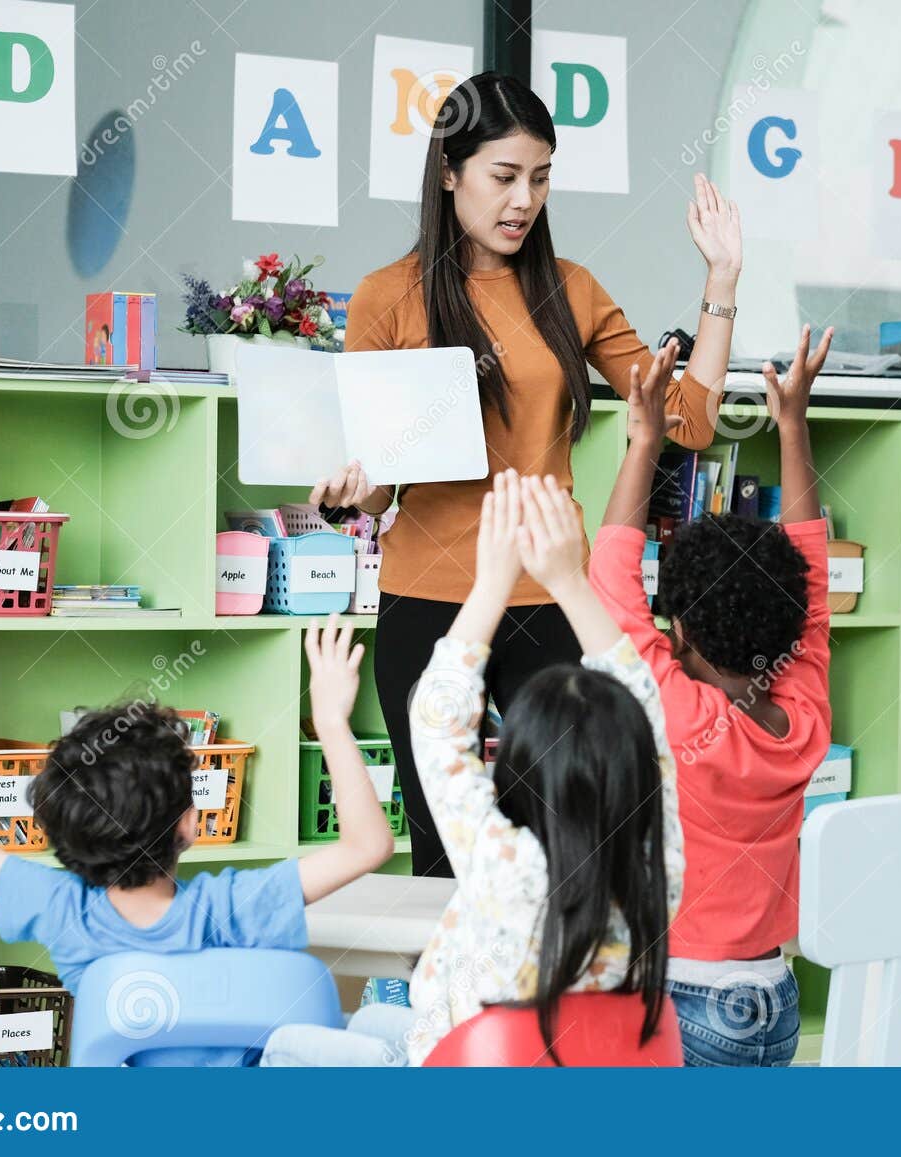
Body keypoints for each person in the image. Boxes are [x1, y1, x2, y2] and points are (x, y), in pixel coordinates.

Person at [309, 70, 739, 877]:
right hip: (428, 597)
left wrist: (721, 283)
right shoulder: (385, 298)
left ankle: (561, 1003)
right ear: (449, 172)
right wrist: (345, 495)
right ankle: (458, 1009)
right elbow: (377, 486)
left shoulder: (570, 290)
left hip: (548, 592)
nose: (523, 200)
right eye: (504, 176)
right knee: (444, 846)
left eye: (540, 178)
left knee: (579, 832)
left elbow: (689, 419)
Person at [261, 471, 682, 1067]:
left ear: (515, 768)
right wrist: (566, 580)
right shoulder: (656, 869)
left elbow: (436, 727)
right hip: (590, 1061)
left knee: (286, 1044)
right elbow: (645, 709)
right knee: (378, 1020)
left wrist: (489, 583)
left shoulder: (504, 867)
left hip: (464, 1069)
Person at [0, 604, 393, 993]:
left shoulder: (58, 911)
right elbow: (367, 846)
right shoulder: (232, 909)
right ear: (188, 825)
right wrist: (329, 721)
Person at [584, 324, 835, 1066]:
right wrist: (793, 424)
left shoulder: (677, 714)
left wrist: (643, 441)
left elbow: (610, 580)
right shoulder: (804, 712)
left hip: (683, 999)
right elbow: (814, 578)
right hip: (775, 996)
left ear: (682, 626)